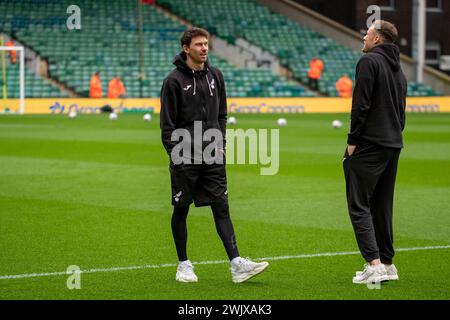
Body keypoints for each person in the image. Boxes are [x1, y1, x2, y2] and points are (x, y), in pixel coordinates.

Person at [160, 27, 269, 283]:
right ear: (187, 48)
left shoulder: (216, 76)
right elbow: (167, 124)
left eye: (206, 44)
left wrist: (220, 142)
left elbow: (222, 114)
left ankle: (236, 264)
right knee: (181, 209)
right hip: (184, 157)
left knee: (222, 208)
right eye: (199, 44)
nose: (204, 48)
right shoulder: (173, 81)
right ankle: (183, 264)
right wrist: (176, 155)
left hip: (212, 155)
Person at [343, 20, 407, 284]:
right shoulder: (399, 70)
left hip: (369, 143)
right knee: (382, 204)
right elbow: (401, 112)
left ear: (377, 39)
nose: (364, 38)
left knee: (359, 204)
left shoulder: (369, 62)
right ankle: (388, 264)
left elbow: (361, 104)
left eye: (367, 34)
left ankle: (374, 264)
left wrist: (353, 141)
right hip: (393, 143)